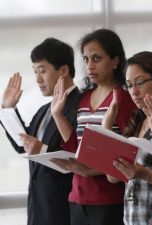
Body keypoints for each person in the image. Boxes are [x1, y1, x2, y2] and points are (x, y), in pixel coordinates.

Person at [51, 29, 136, 225]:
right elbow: (76, 148)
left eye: (97, 58)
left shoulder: (123, 97)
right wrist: (57, 115)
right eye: (86, 59)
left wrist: (91, 170)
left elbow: (130, 153)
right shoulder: (85, 97)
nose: (89, 66)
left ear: (115, 60)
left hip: (109, 199)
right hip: (77, 197)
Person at [1, 38, 80, 225]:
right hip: (38, 212)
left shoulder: (81, 106)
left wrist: (42, 150)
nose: (37, 79)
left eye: (42, 71)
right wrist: (7, 109)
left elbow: (79, 158)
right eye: (35, 72)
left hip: (64, 213)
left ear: (63, 70)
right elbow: (24, 146)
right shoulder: (44, 110)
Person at [105, 51, 152, 225]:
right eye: (129, 85)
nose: (134, 92)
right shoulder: (138, 121)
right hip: (135, 218)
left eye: (139, 83)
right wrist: (106, 127)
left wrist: (144, 174)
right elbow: (113, 177)